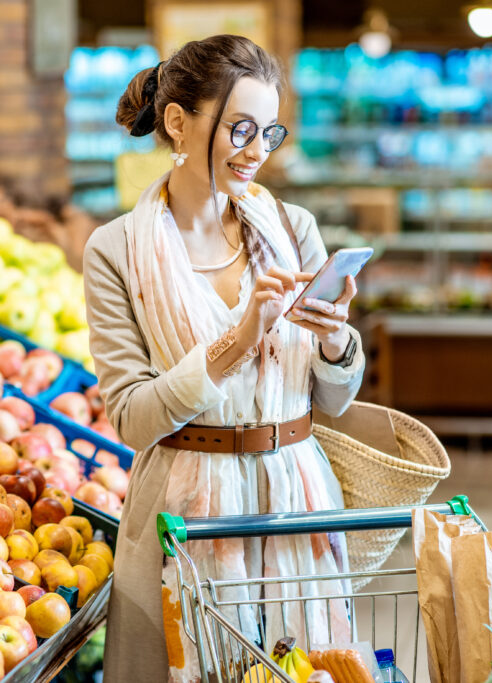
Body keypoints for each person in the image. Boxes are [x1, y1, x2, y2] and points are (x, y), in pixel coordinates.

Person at [82, 35, 366, 683]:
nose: (257, 151)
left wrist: (332, 338)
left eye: (270, 131)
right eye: (240, 128)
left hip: (294, 501)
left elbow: (336, 398)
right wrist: (237, 341)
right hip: (180, 523)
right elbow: (131, 419)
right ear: (179, 121)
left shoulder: (292, 229)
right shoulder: (116, 250)